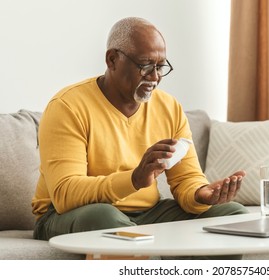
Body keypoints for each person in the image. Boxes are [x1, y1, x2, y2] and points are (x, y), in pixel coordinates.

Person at [32, 17, 248, 258]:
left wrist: (201, 194)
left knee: (233, 215)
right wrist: (134, 179)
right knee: (103, 216)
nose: (154, 77)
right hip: (68, 215)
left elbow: (186, 178)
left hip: (147, 212)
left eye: (160, 66)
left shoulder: (169, 108)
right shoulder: (68, 106)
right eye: (145, 65)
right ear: (112, 59)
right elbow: (65, 195)